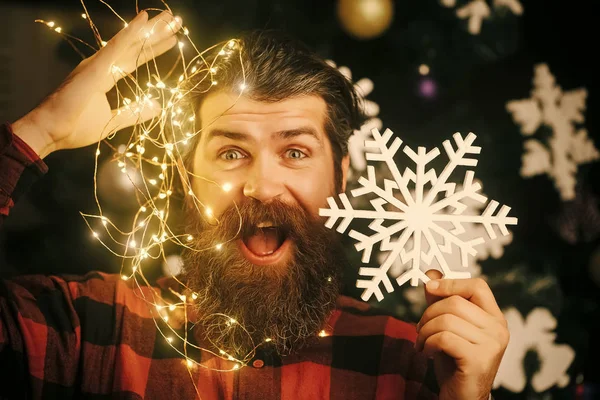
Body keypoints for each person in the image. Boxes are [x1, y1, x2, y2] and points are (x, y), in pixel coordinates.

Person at [0, 10, 509, 400]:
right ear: (185, 175)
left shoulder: (417, 364)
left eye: (294, 151)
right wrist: (38, 132)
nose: (262, 187)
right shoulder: (88, 330)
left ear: (341, 175)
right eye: (231, 152)